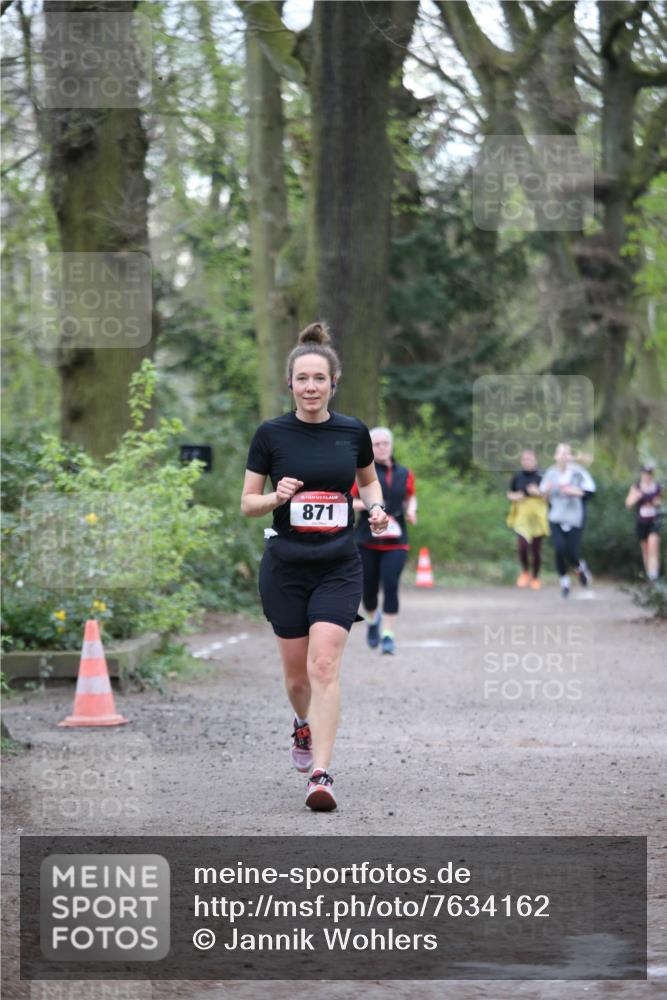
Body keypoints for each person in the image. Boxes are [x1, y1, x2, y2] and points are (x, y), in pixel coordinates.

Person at [240, 322, 388, 811]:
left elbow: (368, 484)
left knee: (323, 665)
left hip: (338, 566)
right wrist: (274, 497)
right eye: (301, 378)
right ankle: (301, 725)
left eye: (318, 379)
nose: (309, 387)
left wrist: (379, 510)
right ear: (290, 384)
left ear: (332, 383)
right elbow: (246, 504)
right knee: (298, 678)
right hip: (285, 566)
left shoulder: (352, 432)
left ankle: (320, 776)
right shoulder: (271, 435)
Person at [350, 427, 417, 654]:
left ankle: (388, 635)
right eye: (376, 444)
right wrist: (373, 507)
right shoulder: (362, 472)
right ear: (370, 447)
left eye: (384, 443)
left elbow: (410, 497)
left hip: (396, 539)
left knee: (390, 585)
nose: (381, 447)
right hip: (367, 538)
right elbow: (349, 501)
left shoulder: (404, 473)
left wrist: (412, 510)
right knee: (368, 590)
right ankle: (372, 619)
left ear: (391, 445)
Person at [540, 443, 596, 598]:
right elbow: (543, 496)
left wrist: (576, 491)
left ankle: (580, 568)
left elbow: (590, 492)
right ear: (555, 456)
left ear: (570, 456)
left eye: (566, 453)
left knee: (572, 553)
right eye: (560, 453)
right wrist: (547, 491)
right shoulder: (551, 473)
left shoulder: (578, 473)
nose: (563, 456)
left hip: (574, 517)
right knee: (559, 549)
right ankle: (564, 583)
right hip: (556, 517)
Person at [506, 449, 549, 590]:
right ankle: (525, 572)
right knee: (522, 546)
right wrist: (515, 496)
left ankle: (535, 577)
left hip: (537, 516)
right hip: (522, 516)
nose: (527, 462)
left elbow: (549, 497)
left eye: (529, 459)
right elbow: (509, 494)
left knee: (536, 550)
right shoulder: (517, 477)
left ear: (535, 460)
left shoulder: (542, 476)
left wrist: (538, 493)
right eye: (524, 459)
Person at [625, 462, 662, 581]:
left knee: (653, 547)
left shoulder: (657, 487)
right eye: (645, 473)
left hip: (654, 522)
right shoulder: (636, 487)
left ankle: (654, 577)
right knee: (645, 550)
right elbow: (628, 504)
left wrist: (655, 502)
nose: (647, 476)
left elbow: (660, 503)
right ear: (642, 474)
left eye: (649, 473)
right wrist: (637, 497)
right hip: (641, 523)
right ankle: (649, 577)